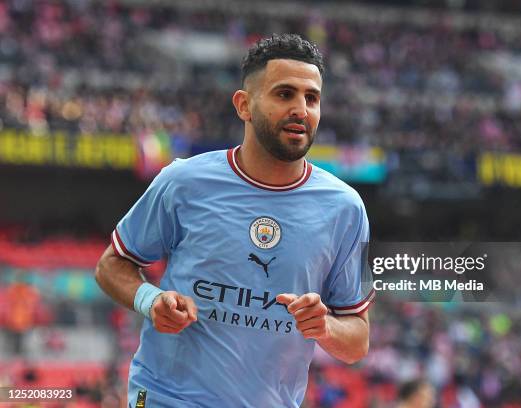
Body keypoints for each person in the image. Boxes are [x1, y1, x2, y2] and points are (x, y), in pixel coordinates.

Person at [95, 33, 374, 407]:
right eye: (284, 94)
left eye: (312, 98)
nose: (301, 109)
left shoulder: (345, 209)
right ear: (244, 105)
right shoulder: (185, 182)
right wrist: (152, 299)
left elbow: (357, 341)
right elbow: (112, 265)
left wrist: (324, 327)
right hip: (167, 397)